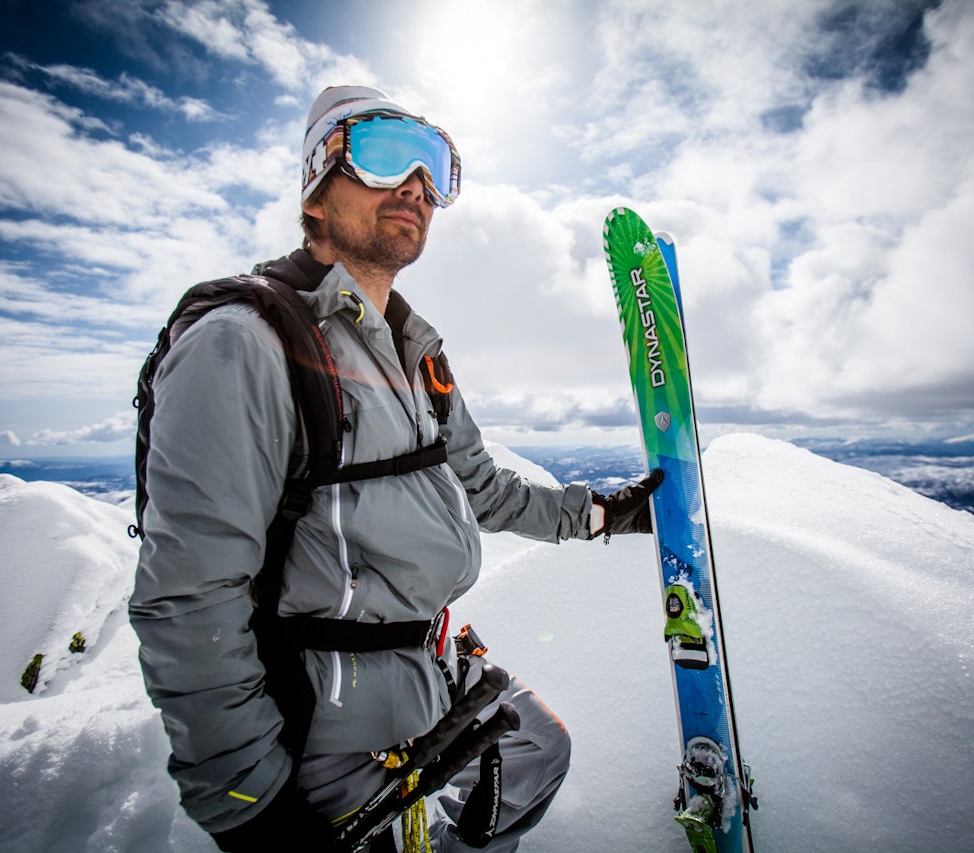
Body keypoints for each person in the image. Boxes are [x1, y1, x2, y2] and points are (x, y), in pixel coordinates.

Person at [129, 85, 662, 852]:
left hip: (433, 671)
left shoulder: (417, 353)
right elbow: (187, 594)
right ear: (316, 187)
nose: (414, 182)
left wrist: (600, 514)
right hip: (325, 723)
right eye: (381, 153)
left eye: (435, 164)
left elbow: (484, 487)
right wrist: (250, 805)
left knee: (539, 749)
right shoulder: (243, 342)